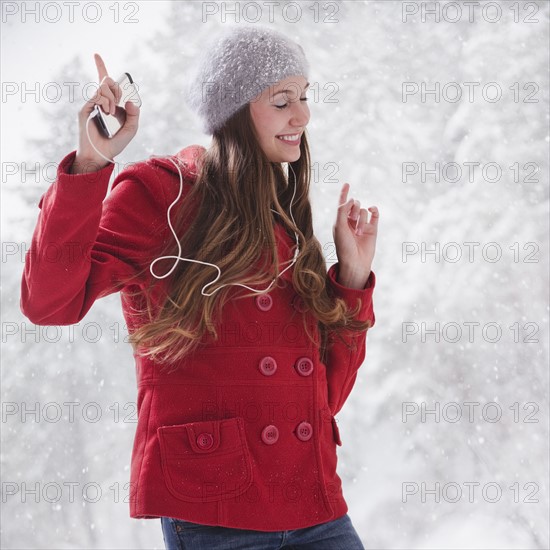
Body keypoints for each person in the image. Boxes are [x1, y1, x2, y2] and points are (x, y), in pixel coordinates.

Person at [21, 25, 378, 550]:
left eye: (304, 97)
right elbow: (49, 302)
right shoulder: (161, 193)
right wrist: (92, 163)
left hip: (315, 507)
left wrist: (351, 276)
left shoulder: (287, 225)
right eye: (282, 101)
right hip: (216, 505)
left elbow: (323, 401)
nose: (302, 116)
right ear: (233, 112)